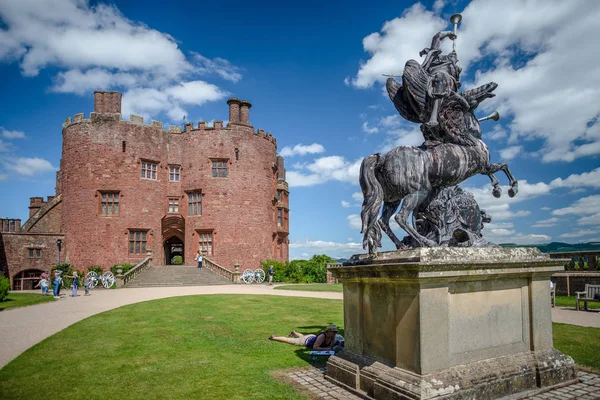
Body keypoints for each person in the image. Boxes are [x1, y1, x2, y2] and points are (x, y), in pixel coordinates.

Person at [268, 324, 343, 351]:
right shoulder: (323, 336)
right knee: (290, 340)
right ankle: (273, 337)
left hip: (312, 337)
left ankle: (294, 332)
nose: (335, 333)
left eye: (335, 332)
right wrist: (328, 349)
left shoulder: (332, 336)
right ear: (329, 331)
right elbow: (315, 347)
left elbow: (330, 346)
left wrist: (331, 348)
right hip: (306, 341)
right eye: (333, 331)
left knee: (301, 336)